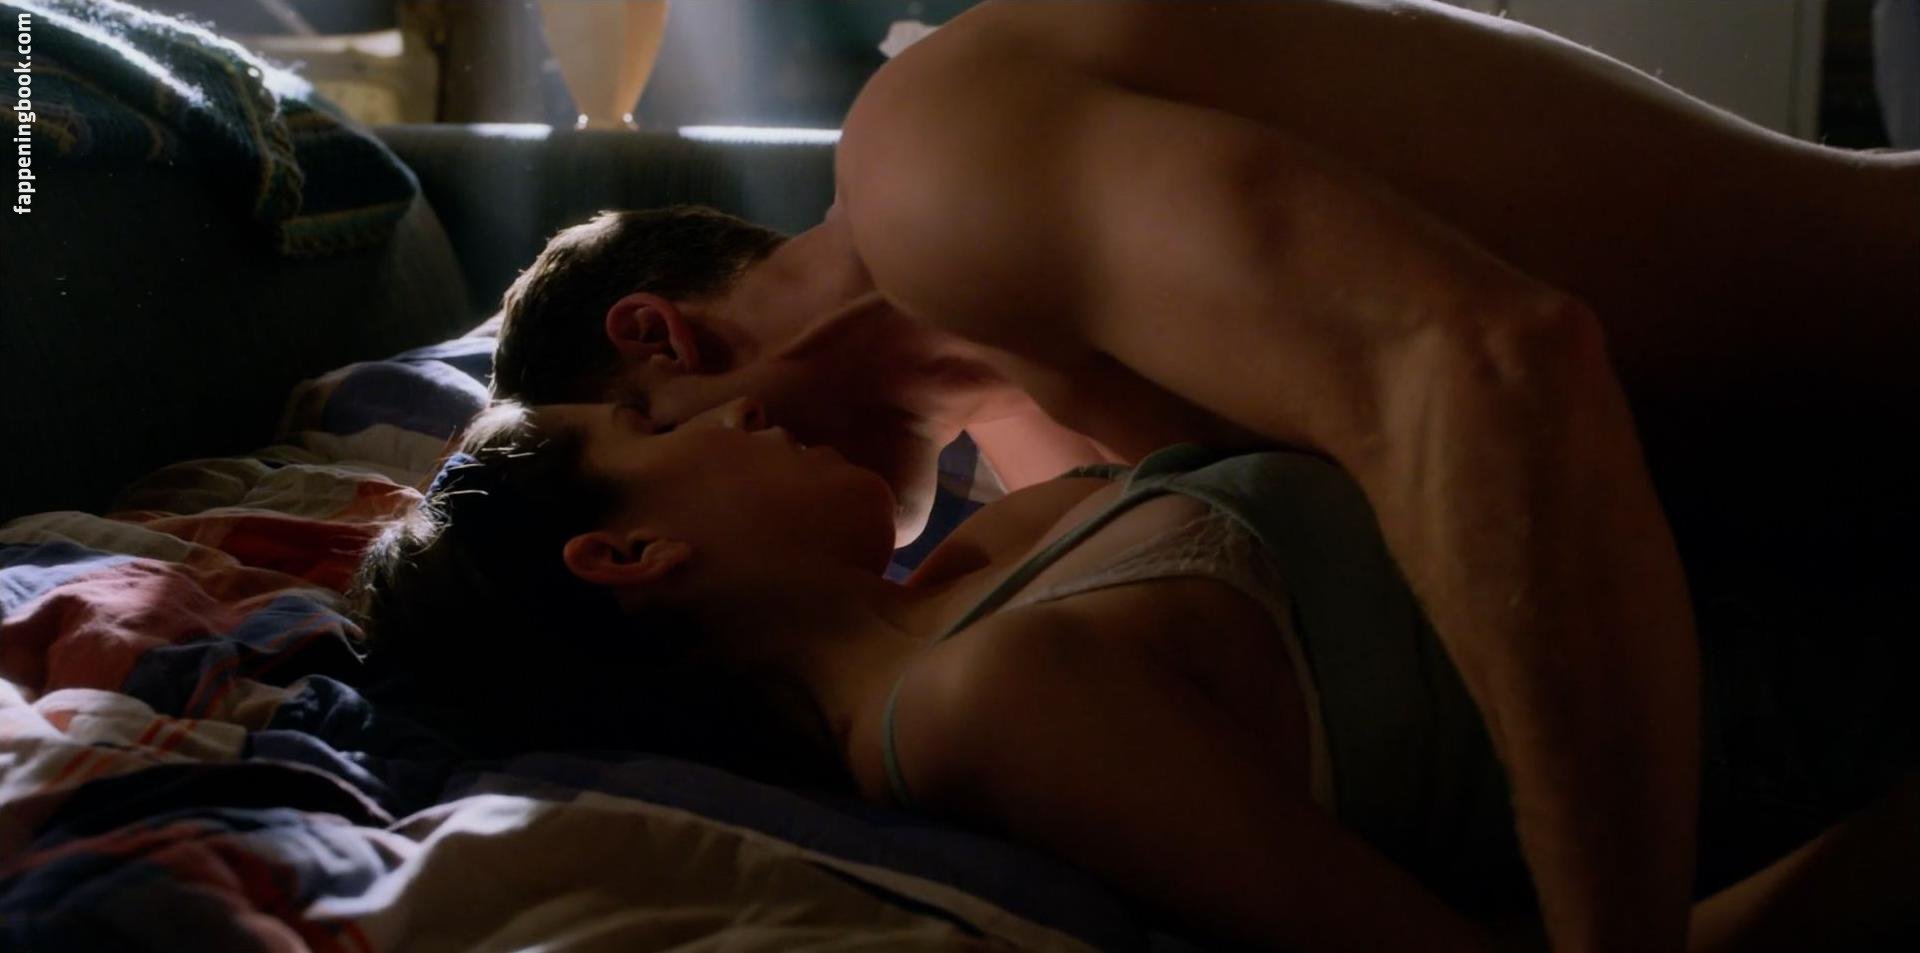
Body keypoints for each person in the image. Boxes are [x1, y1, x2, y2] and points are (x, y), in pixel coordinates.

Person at [463, 2, 1919, 950]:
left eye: (660, 430)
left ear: (658, 342)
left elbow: (1490, 368)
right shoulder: (1041, 448)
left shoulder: (932, 165)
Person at [352, 395, 1918, 953]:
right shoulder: (976, 707)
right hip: (1820, 710)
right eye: (651, 428)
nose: (730, 412)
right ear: (626, 553)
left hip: (1797, 510)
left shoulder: (979, 556)